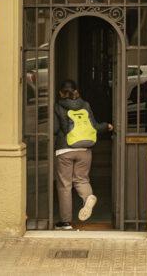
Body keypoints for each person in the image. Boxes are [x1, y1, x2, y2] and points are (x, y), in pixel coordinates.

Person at [53, 80, 113, 230]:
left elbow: (54, 129)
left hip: (65, 149)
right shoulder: (85, 105)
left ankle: (65, 222)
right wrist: (107, 126)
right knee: (81, 179)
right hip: (84, 149)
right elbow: (94, 126)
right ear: (76, 91)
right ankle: (88, 197)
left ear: (61, 92)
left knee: (65, 186)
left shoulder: (58, 106)